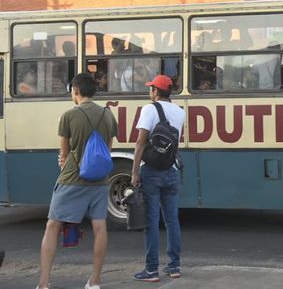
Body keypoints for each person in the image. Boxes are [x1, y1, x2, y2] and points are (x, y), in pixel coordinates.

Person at [37, 73, 118, 289]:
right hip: (100, 179)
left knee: (52, 225)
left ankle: (44, 283)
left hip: (72, 179)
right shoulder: (108, 116)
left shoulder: (69, 115)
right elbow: (108, 149)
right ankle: (95, 281)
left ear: (76, 90)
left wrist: (66, 161)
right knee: (100, 227)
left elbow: (64, 154)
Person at [131, 75, 185, 282]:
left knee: (152, 221)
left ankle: (151, 270)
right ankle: (174, 266)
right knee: (172, 220)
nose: (149, 92)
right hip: (171, 171)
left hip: (151, 171)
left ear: (155, 91)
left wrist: (135, 172)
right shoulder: (180, 112)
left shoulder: (149, 109)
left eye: (150, 88)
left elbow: (140, 142)